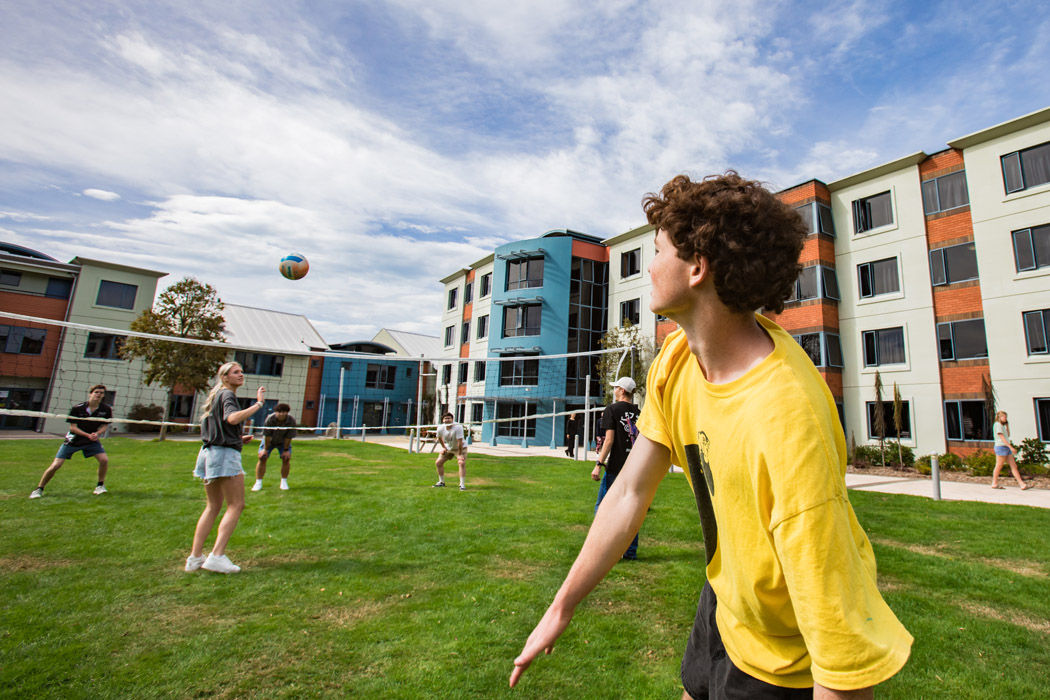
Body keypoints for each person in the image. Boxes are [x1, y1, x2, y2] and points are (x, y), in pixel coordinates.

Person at [510, 173, 912, 697]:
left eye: (657, 251)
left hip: (783, 659)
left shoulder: (788, 423)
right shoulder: (678, 359)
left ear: (697, 267)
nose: (649, 268)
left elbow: (842, 653)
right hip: (725, 602)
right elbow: (630, 491)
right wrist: (561, 606)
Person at [185, 362, 265, 574]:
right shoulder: (227, 395)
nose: (241, 375)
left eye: (241, 371)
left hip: (209, 453)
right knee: (236, 505)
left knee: (212, 506)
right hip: (223, 455)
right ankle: (217, 556)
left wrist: (237, 438)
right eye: (235, 372)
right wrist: (258, 405)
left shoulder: (217, 395)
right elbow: (231, 418)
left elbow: (220, 426)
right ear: (225, 377)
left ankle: (194, 558)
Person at [30, 384, 113, 499]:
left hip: (91, 440)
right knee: (56, 465)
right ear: (91, 394)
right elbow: (73, 428)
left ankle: (100, 486)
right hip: (74, 439)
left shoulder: (106, 409)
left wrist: (97, 434)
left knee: (104, 460)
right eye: (96, 392)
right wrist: (87, 435)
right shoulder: (77, 408)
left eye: (101, 393)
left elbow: (105, 425)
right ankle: (39, 489)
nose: (99, 395)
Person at [592, 378, 641, 559]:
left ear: (621, 390)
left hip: (616, 468)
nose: (614, 391)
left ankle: (602, 548)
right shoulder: (639, 412)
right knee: (631, 509)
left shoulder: (611, 410)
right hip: (635, 468)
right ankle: (630, 552)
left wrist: (598, 465)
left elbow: (609, 441)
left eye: (615, 388)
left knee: (603, 507)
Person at [252, 403, 297, 491]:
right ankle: (258, 482)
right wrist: (265, 449)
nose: (281, 414)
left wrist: (286, 450)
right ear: (275, 412)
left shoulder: (291, 420)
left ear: (287, 413)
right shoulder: (270, 419)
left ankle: (284, 482)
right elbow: (267, 436)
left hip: (283, 441)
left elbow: (289, 437)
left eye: (284, 412)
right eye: (279, 412)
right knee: (262, 458)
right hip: (270, 441)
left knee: (286, 458)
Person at [991, 411, 1031, 490]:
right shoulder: (997, 425)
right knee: (999, 465)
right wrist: (1011, 447)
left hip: (1006, 447)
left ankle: (1021, 484)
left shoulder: (1002, 426)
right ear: (999, 417)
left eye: (1006, 417)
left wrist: (1007, 426)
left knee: (1013, 466)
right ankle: (994, 482)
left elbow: (1007, 435)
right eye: (1004, 417)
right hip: (1001, 447)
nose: (1005, 418)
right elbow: (1002, 438)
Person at [433, 412, 467, 490]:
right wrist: (444, 448)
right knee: (438, 462)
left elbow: (460, 442)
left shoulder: (458, 427)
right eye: (446, 418)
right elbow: (439, 438)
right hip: (449, 448)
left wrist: (460, 454)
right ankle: (441, 482)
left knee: (461, 462)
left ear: (452, 419)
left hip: (461, 447)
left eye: (449, 418)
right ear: (443, 420)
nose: (447, 420)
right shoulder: (440, 428)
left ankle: (462, 485)